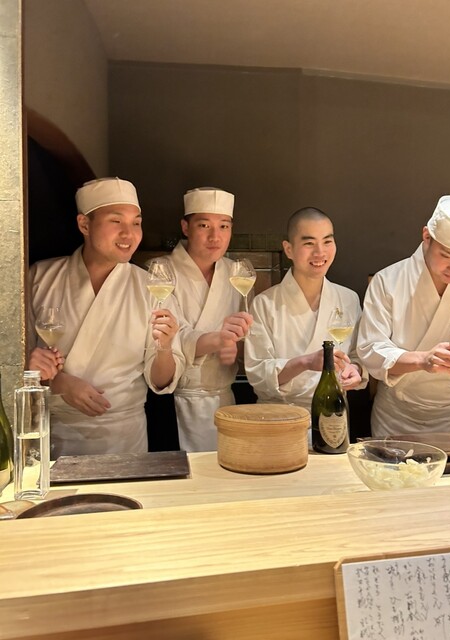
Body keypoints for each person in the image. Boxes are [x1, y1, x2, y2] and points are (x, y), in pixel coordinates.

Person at [28, 177, 184, 457]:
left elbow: (161, 382)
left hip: (123, 437)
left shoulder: (151, 288)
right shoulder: (40, 278)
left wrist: (165, 346)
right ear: (84, 225)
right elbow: (15, 356)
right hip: (52, 433)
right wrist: (58, 382)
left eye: (136, 223)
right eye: (116, 221)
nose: (129, 234)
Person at [357, 193, 450, 437]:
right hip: (397, 417)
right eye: (446, 255)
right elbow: (371, 349)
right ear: (426, 236)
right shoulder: (388, 281)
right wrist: (422, 360)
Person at [244, 207, 366, 418]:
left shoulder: (348, 299)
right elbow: (258, 373)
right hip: (279, 417)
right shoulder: (265, 304)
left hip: (333, 415)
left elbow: (359, 356)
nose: (320, 252)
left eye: (327, 241)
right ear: (288, 249)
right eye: (309, 243)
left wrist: (355, 370)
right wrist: (305, 362)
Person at [165, 187, 252, 451]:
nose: (215, 236)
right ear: (186, 227)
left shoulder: (237, 274)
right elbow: (167, 338)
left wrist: (235, 349)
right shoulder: (161, 272)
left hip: (225, 400)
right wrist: (217, 340)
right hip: (173, 403)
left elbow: (249, 338)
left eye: (224, 226)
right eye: (204, 225)